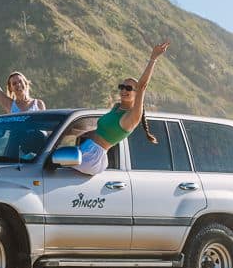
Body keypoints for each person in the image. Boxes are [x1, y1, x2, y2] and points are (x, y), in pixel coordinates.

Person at [73, 41, 170, 175]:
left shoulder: (132, 116)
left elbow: (142, 86)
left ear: (136, 93)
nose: (124, 90)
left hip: (93, 158)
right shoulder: (116, 108)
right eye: (122, 87)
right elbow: (100, 131)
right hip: (84, 149)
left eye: (129, 88)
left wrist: (153, 58)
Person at [0, 42, 47, 113]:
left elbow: (45, 122)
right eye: (14, 83)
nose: (18, 84)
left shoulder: (38, 104)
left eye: (20, 81)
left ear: (26, 83)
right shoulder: (9, 104)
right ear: (10, 88)